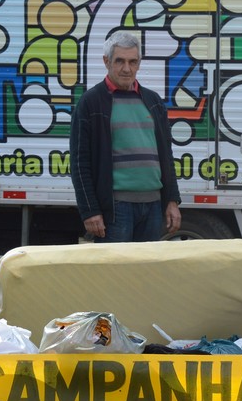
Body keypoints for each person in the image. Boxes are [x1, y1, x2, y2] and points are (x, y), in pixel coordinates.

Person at [70, 31, 181, 242]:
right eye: (120, 61)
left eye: (132, 61)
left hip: (153, 208)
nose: (127, 68)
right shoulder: (91, 103)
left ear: (139, 63)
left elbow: (166, 157)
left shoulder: (153, 101)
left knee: (146, 273)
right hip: (115, 209)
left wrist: (172, 200)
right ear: (106, 61)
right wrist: (90, 210)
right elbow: (79, 162)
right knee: (113, 274)